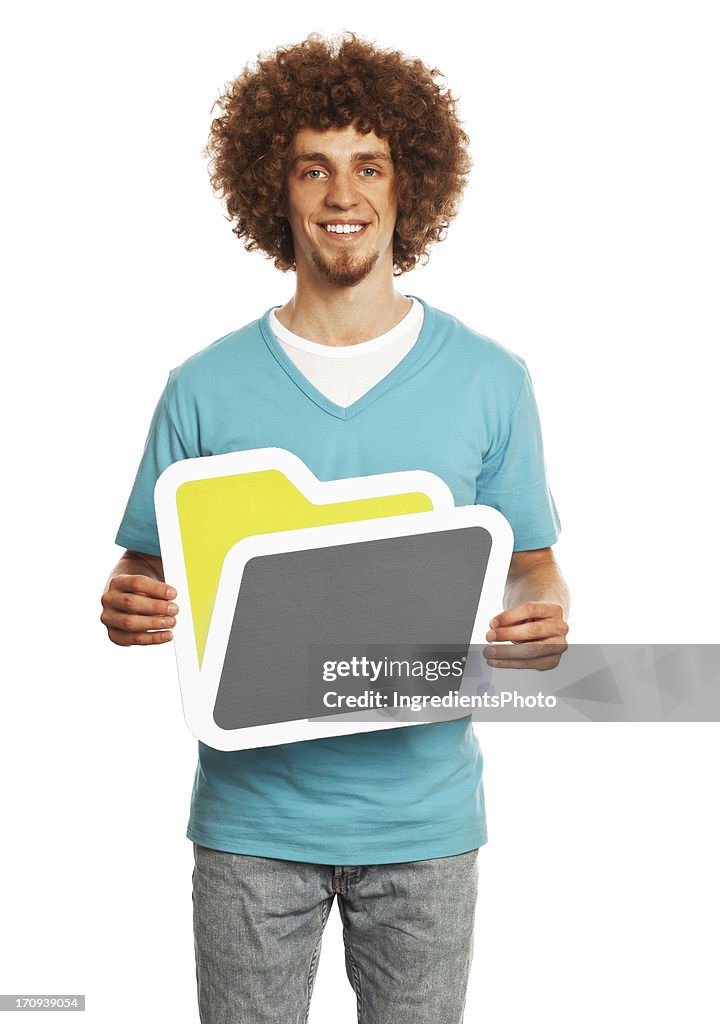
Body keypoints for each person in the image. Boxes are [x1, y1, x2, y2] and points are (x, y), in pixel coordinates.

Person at [101, 32, 570, 1024]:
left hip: (426, 820)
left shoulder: (492, 381)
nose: (341, 192)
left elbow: (535, 571)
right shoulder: (203, 388)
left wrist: (542, 618)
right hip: (249, 825)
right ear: (278, 188)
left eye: (369, 165)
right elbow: (145, 574)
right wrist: (127, 604)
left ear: (410, 188)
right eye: (314, 166)